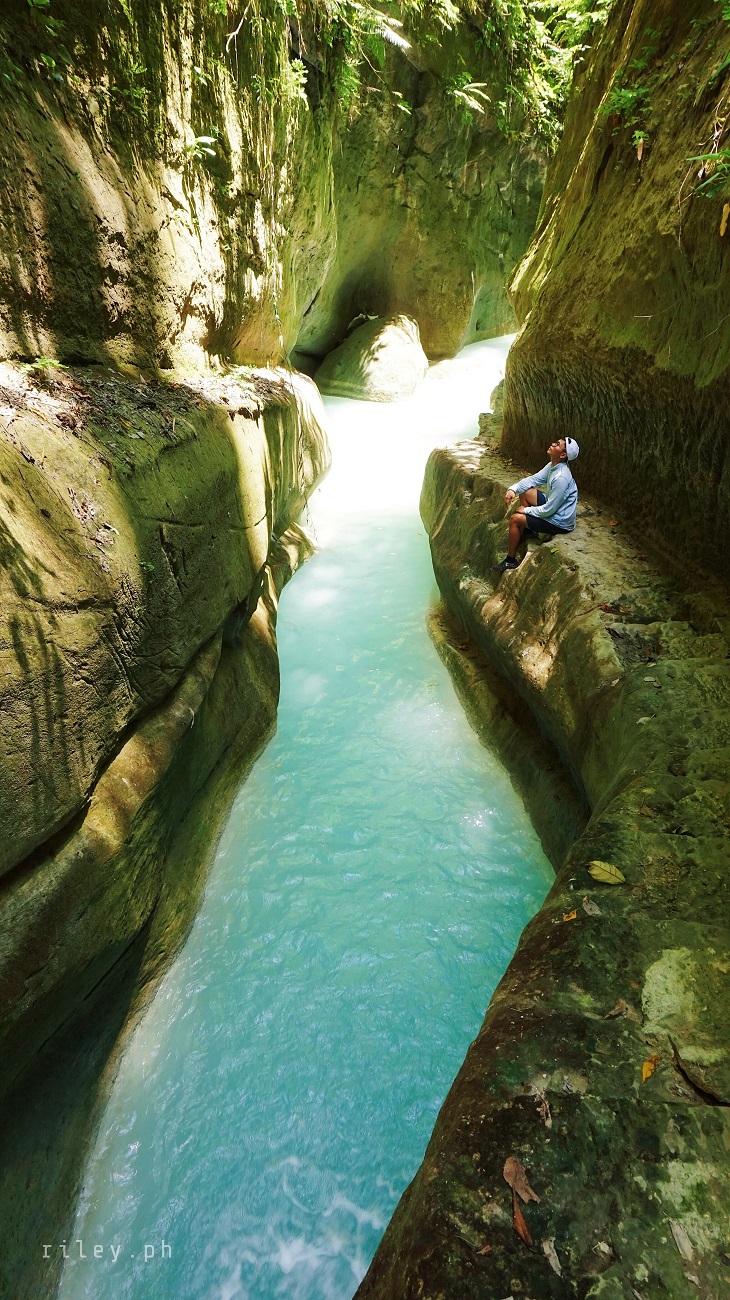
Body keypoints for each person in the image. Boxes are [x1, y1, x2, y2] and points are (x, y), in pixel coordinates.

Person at [492, 436, 579, 573]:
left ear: (563, 455)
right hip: (555, 509)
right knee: (525, 491)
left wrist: (526, 511)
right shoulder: (553, 466)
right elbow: (533, 480)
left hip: (559, 521)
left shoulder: (561, 478)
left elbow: (549, 510)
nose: (552, 444)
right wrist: (513, 489)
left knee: (515, 519)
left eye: (557, 444)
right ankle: (529, 531)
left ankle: (510, 561)